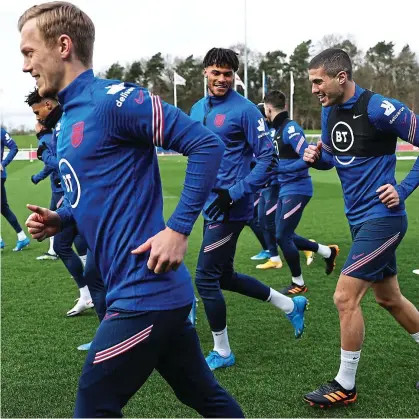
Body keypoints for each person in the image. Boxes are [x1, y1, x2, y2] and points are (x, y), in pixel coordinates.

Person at [20, 3, 243, 417]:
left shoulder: (114, 101)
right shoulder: (68, 118)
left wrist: (178, 228)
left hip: (145, 293)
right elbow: (96, 191)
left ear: (63, 46)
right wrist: (63, 217)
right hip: (150, 291)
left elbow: (206, 145)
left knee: (94, 402)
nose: (25, 65)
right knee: (203, 396)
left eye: (29, 52)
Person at [303, 48, 419, 407]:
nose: (313, 90)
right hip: (358, 221)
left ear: (341, 77)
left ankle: (345, 384)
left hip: (382, 220)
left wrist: (401, 189)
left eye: (318, 81)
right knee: (389, 298)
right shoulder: (328, 111)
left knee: (344, 297)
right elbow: (335, 159)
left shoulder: (380, 108)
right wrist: (317, 158)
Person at [189, 47, 308, 371]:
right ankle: (290, 304)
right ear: (206, 73)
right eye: (216, 72)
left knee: (205, 278)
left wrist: (234, 193)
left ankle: (223, 352)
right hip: (209, 204)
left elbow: (268, 160)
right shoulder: (197, 108)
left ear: (234, 76)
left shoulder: (245, 111)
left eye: (228, 74)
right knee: (223, 276)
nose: (222, 79)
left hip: (232, 208)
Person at [258, 90, 339, 293]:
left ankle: (298, 283)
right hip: (285, 188)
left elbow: (307, 160)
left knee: (282, 236)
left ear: (268, 108)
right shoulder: (275, 130)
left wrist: (279, 169)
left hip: (297, 189)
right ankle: (327, 252)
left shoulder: (290, 128)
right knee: (283, 234)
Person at [26, 89, 94, 317]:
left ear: (47, 104)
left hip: (79, 198)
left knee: (79, 249)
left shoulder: (69, 121)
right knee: (69, 244)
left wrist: (44, 155)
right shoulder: (60, 125)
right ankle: (88, 295)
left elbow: (62, 162)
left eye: (37, 113)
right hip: (70, 197)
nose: (37, 119)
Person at [0, 127, 30, 251]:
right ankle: (22, 237)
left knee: (3, 207)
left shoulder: (1, 132)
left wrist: (3, 163)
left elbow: (14, 147)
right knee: (3, 208)